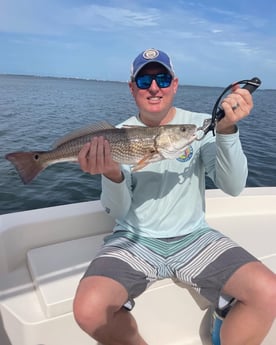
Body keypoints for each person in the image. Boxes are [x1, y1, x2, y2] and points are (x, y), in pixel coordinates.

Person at [73, 48, 276, 345]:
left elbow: (233, 187)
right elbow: (118, 210)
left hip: (193, 236)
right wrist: (112, 174)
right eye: (144, 81)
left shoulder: (199, 126)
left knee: (269, 291)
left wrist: (228, 130)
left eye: (162, 79)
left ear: (175, 84)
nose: (154, 87)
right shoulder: (116, 135)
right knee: (89, 309)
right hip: (134, 238)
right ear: (132, 88)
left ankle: (221, 321)